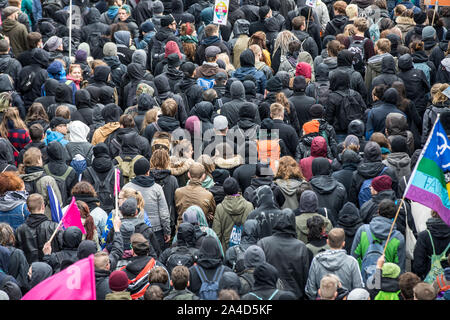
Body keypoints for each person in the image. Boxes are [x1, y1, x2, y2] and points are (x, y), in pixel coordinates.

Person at [257, 209, 310, 299]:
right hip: (295, 294)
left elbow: (259, 271)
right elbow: (305, 276)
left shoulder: (263, 243)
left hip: (270, 295)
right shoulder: (301, 246)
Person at [123, 157, 171, 252]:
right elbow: (164, 213)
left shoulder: (126, 188)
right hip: (155, 230)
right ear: (148, 172)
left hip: (133, 230)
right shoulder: (157, 188)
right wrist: (167, 231)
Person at [351, 199, 406, 277]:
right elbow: (399, 267)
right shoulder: (398, 238)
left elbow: (354, 257)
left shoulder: (363, 230)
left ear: (378, 211)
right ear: (394, 215)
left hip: (365, 280)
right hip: (386, 283)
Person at [305, 228, 364, 300]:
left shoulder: (317, 260)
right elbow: (358, 289)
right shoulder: (352, 262)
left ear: (327, 242)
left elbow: (310, 289)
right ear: (343, 243)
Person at [212, 177, 253, 252]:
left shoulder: (220, 208)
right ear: (238, 188)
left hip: (226, 251)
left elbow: (216, 234)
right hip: (244, 251)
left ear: (224, 190)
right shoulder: (249, 206)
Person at [19, 148, 62, 219]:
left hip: (25, 220)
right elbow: (57, 204)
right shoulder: (48, 180)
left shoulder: (17, 180)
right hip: (45, 220)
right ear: (39, 161)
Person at [175, 163, 216, 228]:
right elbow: (212, 212)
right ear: (203, 176)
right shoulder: (208, 195)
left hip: (181, 231)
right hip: (200, 232)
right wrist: (205, 213)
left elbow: (176, 210)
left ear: (188, 174)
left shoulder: (178, 192)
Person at [412, 210, 450, 281]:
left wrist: (422, 275)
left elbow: (418, 264)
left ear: (433, 213)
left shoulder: (424, 235)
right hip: (447, 280)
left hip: (428, 279)